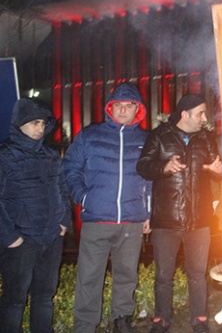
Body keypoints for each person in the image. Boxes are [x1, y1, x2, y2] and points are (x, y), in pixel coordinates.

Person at [64, 83, 151, 333]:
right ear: (111, 108)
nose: (123, 110)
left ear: (138, 109)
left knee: (127, 274)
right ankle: (85, 325)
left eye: (129, 105)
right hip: (97, 220)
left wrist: (149, 213)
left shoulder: (145, 140)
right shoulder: (91, 135)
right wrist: (84, 197)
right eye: (119, 106)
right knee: (89, 277)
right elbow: (70, 167)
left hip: (131, 221)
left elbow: (151, 180)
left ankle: (121, 319)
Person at [137, 94, 222, 333]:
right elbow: (142, 166)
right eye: (200, 114)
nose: (205, 118)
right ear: (185, 114)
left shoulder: (206, 138)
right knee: (164, 275)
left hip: (200, 218)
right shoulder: (159, 136)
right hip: (167, 219)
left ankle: (199, 320)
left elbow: (214, 167)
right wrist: (164, 167)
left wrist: (217, 169)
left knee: (197, 273)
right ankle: (161, 320)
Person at [0, 99, 71, 333]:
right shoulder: (4, 155)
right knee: (15, 299)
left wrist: (63, 224)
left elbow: (62, 190)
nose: (40, 128)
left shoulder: (50, 154)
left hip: (51, 238)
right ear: (20, 124)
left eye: (43, 123)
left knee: (44, 296)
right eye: (34, 123)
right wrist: (10, 236)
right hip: (21, 241)